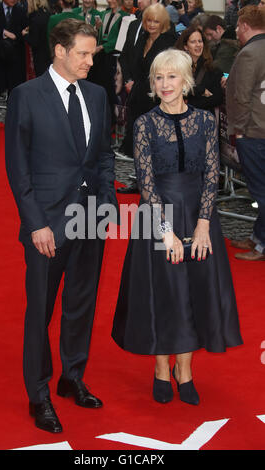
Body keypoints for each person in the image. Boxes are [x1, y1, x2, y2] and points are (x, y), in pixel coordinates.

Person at [5, 18, 118, 433]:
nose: (90, 61)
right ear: (60, 50)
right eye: (84, 54)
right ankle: (39, 394)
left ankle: (72, 377)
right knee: (41, 310)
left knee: (81, 304)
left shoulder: (97, 94)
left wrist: (106, 203)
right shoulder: (26, 95)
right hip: (47, 223)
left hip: (90, 217)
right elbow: (18, 168)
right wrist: (35, 224)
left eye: (93, 54)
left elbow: (104, 155)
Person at [112, 48, 243, 405]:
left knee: (192, 294)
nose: (165, 84)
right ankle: (159, 367)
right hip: (158, 216)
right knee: (163, 294)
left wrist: (203, 225)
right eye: (159, 77)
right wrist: (165, 231)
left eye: (172, 76)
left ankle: (184, 371)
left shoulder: (204, 121)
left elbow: (211, 175)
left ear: (185, 80)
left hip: (200, 217)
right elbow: (146, 180)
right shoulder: (144, 124)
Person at [117, 3, 177, 193]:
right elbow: (132, 61)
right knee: (139, 143)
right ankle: (141, 182)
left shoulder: (169, 42)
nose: (152, 25)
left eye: (156, 21)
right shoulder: (143, 38)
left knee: (156, 144)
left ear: (163, 23)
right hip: (138, 99)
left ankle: (157, 184)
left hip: (157, 100)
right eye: (149, 20)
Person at [226, 6, 265, 261]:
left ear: (244, 26)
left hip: (252, 131)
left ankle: (261, 245)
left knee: (261, 191)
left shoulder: (249, 53)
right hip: (259, 128)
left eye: (238, 27)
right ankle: (256, 237)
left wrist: (238, 130)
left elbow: (242, 96)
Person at [0, 0, 28, 128]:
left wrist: (16, 36)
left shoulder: (21, 11)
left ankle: (14, 121)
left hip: (16, 56)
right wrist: (3, 32)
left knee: (15, 90)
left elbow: (25, 31)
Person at [175, 25, 223, 113]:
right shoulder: (176, 67)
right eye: (193, 42)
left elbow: (217, 98)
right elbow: (174, 89)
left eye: (200, 41)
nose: (198, 45)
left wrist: (190, 102)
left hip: (203, 120)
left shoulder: (213, 69)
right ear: (185, 46)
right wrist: (200, 91)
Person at [22, 0, 51, 77]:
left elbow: (34, 41)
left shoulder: (35, 18)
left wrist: (25, 35)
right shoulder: (48, 14)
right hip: (50, 54)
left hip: (40, 57)